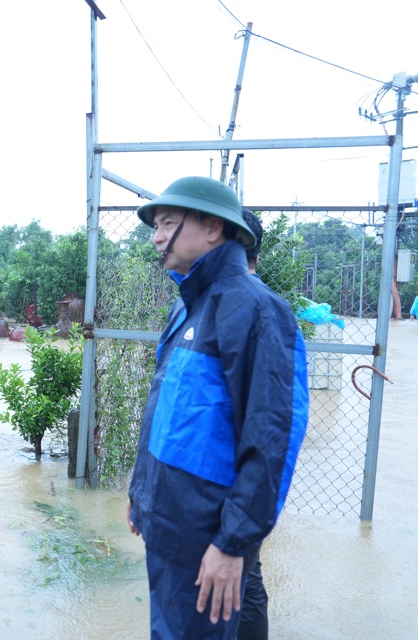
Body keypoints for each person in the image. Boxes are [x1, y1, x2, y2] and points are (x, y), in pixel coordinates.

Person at [126, 177, 309, 639]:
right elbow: (166, 409)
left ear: (212, 228)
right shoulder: (187, 305)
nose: (157, 236)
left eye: (168, 222)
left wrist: (233, 545)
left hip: (208, 540)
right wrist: (140, 492)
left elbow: (270, 440)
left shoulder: (257, 312)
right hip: (166, 525)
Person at [236, 208, 269, 640]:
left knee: (245, 577)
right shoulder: (202, 304)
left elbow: (270, 427)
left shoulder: (259, 309)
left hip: (238, 482)